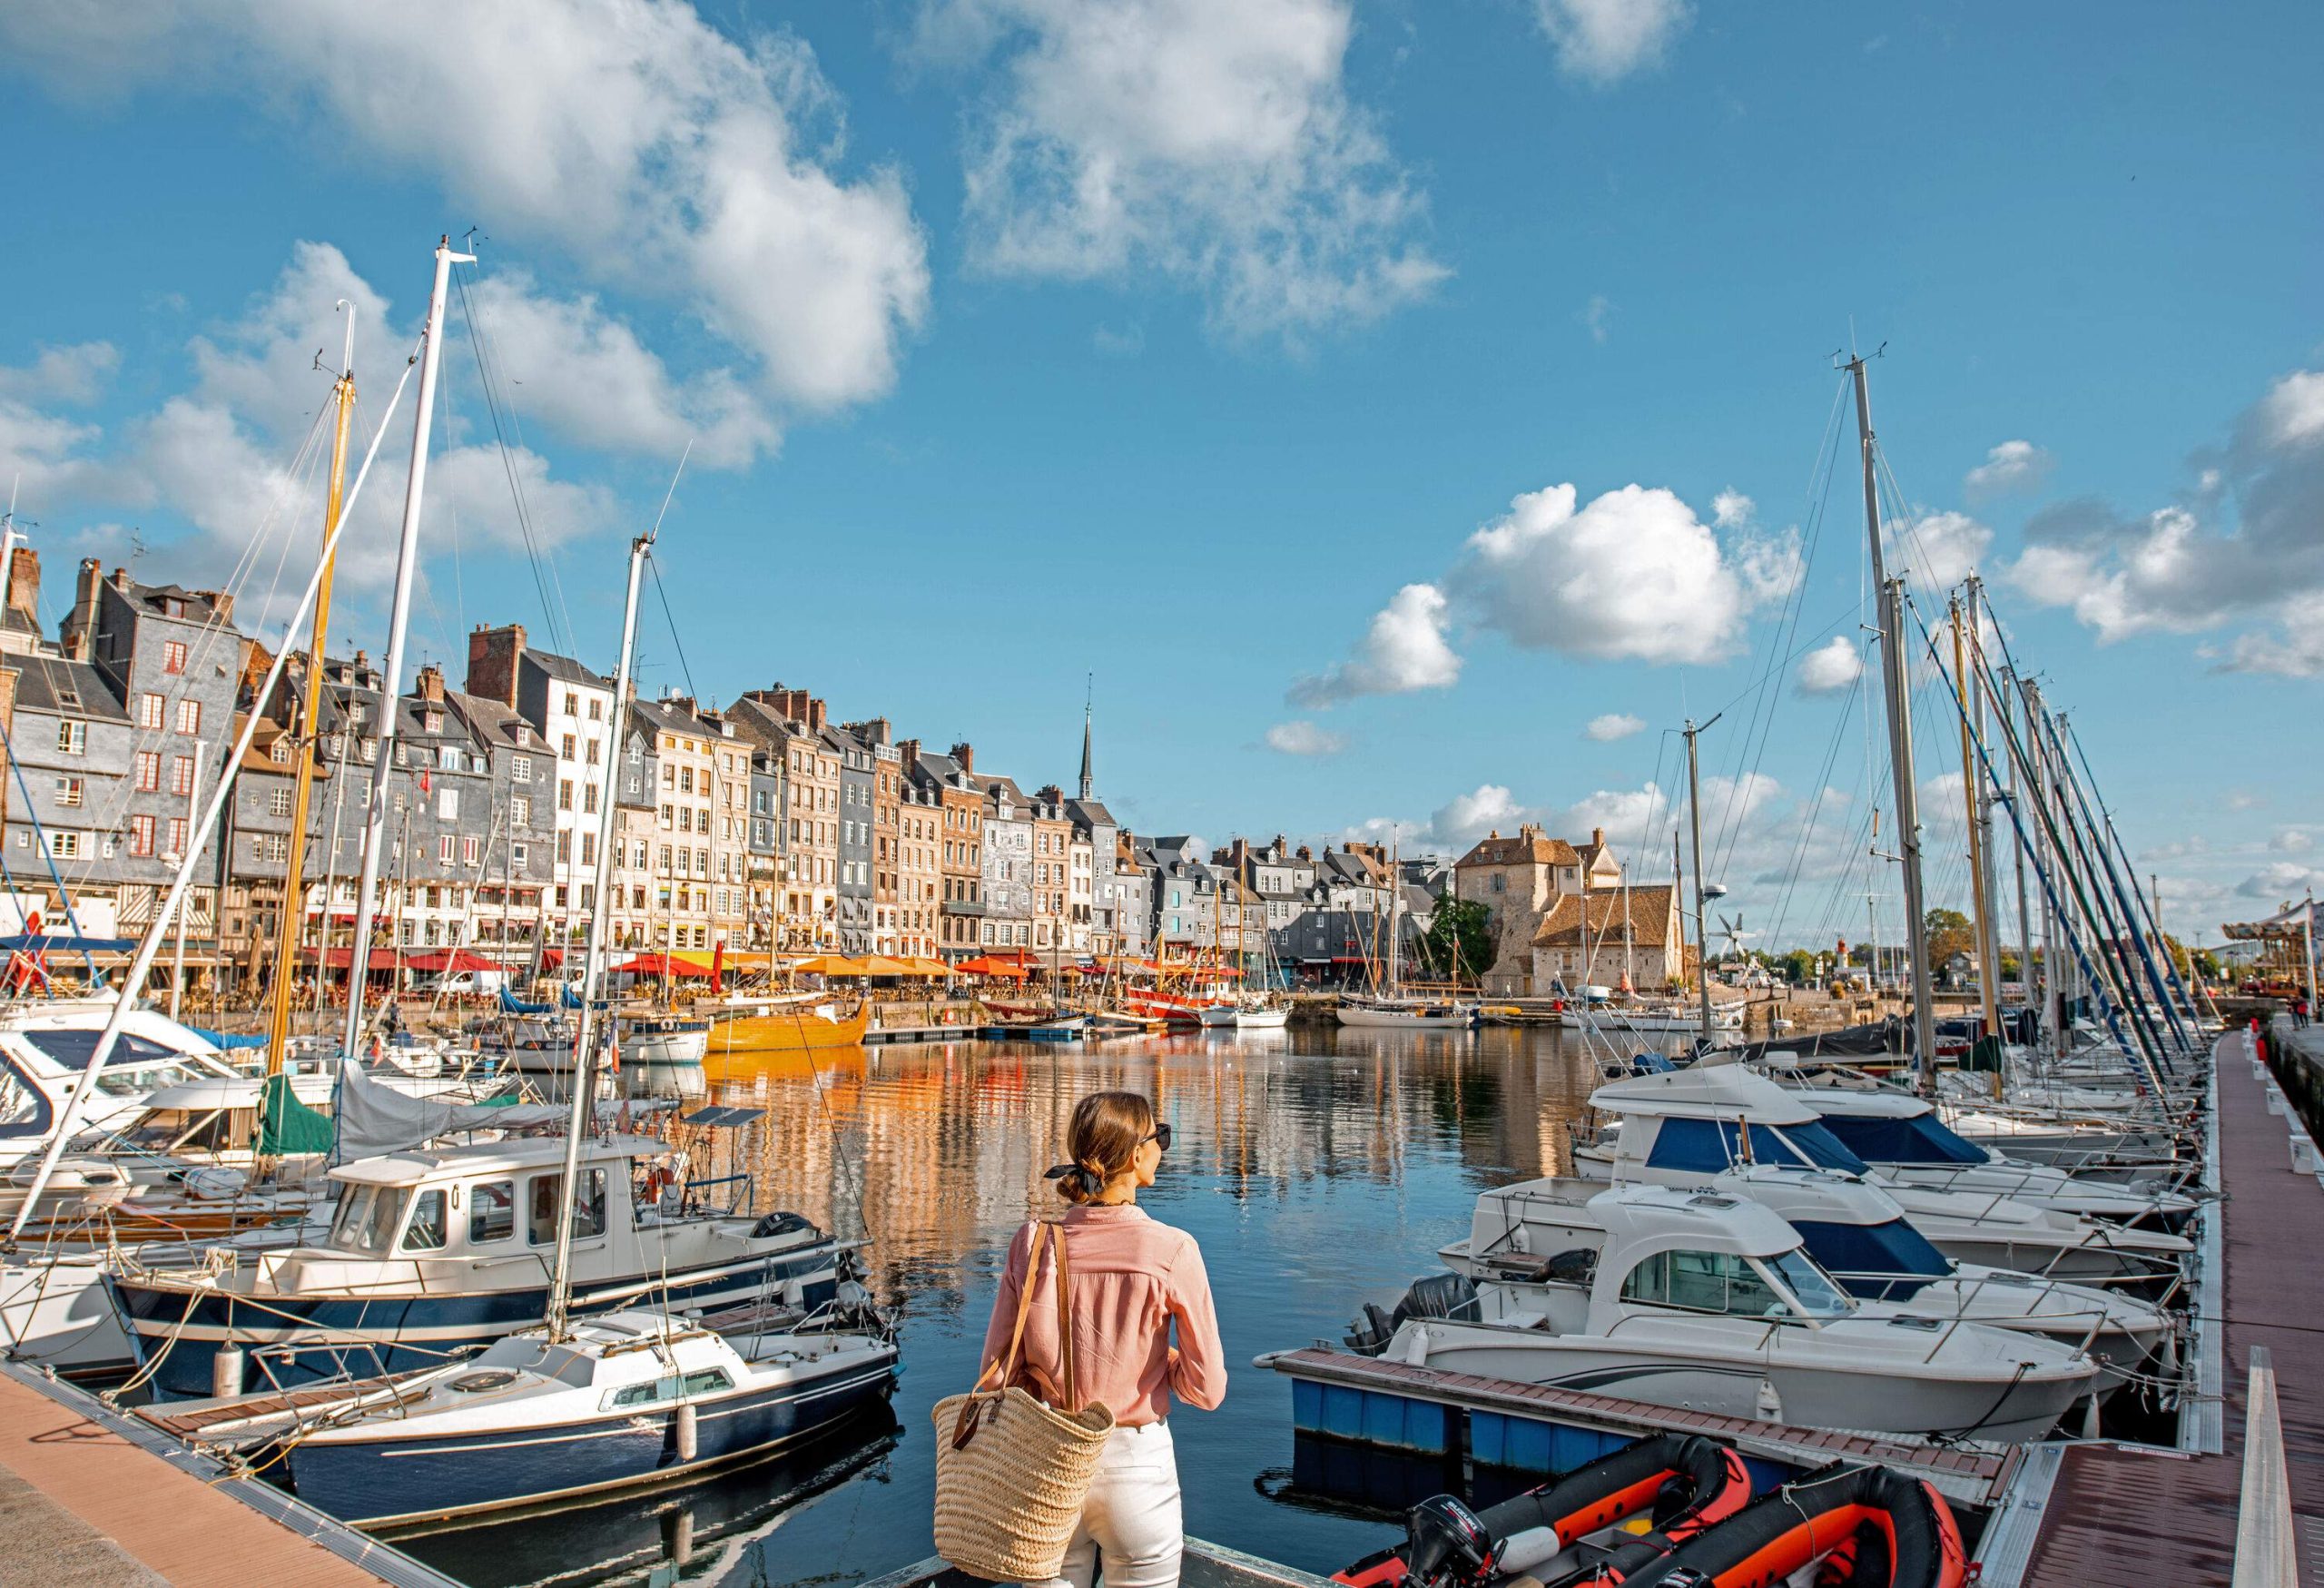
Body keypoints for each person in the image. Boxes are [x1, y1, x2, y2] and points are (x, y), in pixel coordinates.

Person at [980, 1090, 1226, 1588]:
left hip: (1051, 1462)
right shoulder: (1173, 1251)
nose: (1164, 1149)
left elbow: (997, 1376)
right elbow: (1207, 1389)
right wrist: (1158, 1359)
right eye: (1162, 1137)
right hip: (1137, 1469)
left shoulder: (1032, 1243)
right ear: (1136, 1157)